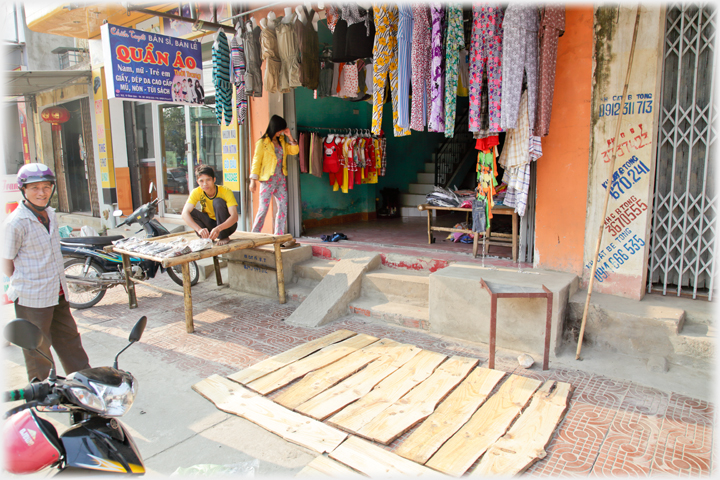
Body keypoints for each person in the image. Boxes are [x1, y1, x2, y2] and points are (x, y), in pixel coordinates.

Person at [1, 163, 91, 382]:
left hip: (57, 292)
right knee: (37, 348)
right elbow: (6, 263)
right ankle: (43, 392)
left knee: (70, 339)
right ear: (23, 190)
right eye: (34, 188)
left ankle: (85, 381)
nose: (41, 193)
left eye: (46, 187)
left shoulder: (50, 213)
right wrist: (26, 282)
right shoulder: (16, 222)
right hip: (32, 297)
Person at [249, 115, 299, 237]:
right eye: (280, 129)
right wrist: (253, 180)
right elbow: (256, 161)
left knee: (283, 207)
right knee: (263, 209)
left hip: (281, 179)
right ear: (275, 127)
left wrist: (289, 136)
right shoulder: (263, 143)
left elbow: (294, 151)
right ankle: (254, 235)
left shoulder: (282, 141)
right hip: (267, 180)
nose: (281, 131)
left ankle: (279, 235)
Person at [182, 164, 238, 246]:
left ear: (214, 180)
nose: (205, 184)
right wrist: (199, 229)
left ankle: (224, 237)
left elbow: (234, 216)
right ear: (197, 182)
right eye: (201, 181)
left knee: (217, 202)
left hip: (227, 227)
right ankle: (206, 236)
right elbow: (184, 214)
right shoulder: (196, 192)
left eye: (208, 180)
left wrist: (219, 228)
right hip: (210, 224)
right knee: (190, 212)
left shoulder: (225, 191)